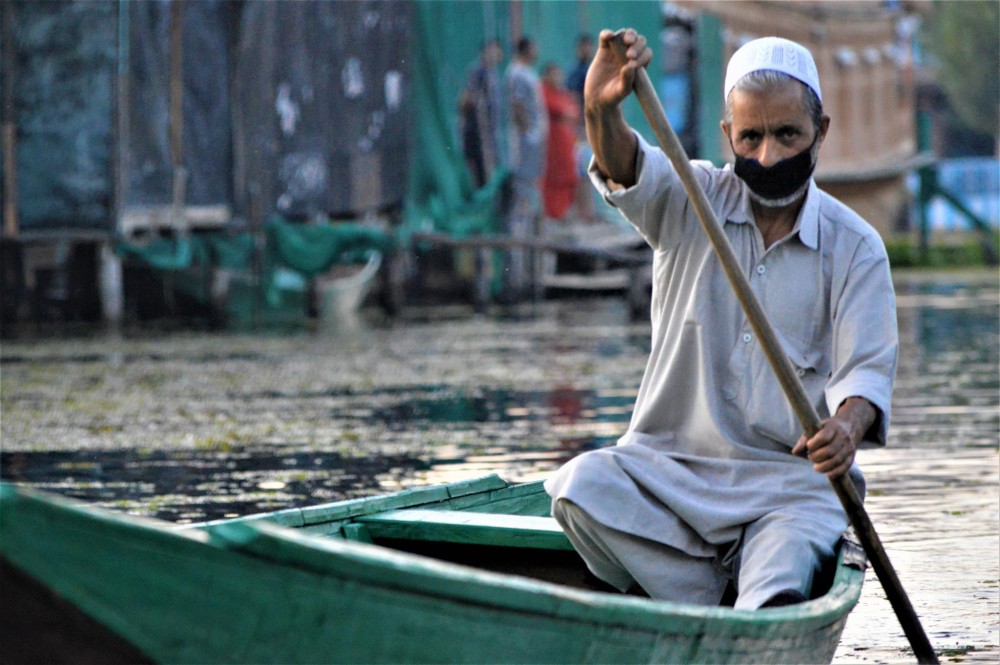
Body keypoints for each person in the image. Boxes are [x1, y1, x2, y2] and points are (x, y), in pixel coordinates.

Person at [545, 29, 898, 610]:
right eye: (752, 136)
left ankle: (719, 601)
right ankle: (710, 598)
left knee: (778, 576)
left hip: (788, 489)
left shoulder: (855, 247)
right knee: (580, 489)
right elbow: (624, 162)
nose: (768, 156)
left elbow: (865, 376)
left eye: (788, 135)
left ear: (821, 132)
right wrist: (598, 108)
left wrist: (846, 428)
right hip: (670, 471)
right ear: (727, 135)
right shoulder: (690, 197)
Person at [503, 36, 548, 300]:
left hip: (531, 147)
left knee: (527, 198)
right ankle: (515, 264)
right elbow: (518, 106)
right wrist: (529, 133)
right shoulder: (518, 74)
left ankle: (522, 258)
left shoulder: (526, 73)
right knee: (519, 201)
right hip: (524, 148)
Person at [458, 39, 504, 189]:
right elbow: (466, 98)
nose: (495, 55)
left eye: (497, 51)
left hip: (490, 130)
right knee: (480, 168)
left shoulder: (493, 73)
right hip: (477, 130)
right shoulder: (478, 71)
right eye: (491, 51)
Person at [540, 62, 581, 220]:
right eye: (554, 74)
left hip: (566, 141)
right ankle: (553, 214)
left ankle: (565, 212)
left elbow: (573, 111)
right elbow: (558, 109)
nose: (557, 78)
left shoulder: (562, 93)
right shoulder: (543, 90)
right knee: (553, 177)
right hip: (552, 143)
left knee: (570, 175)